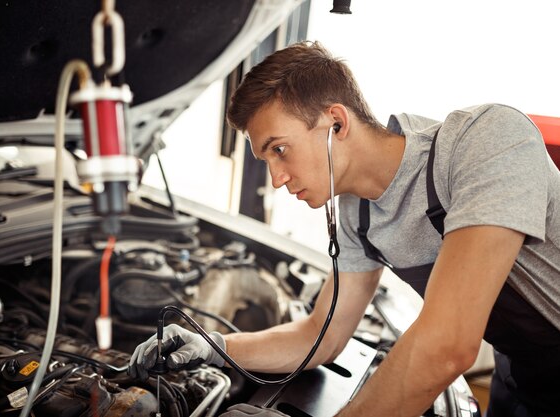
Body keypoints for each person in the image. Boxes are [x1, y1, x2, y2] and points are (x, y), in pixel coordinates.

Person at [129, 41, 560, 417]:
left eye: (280, 150)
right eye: (266, 161)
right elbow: (321, 334)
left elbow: (448, 345)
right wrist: (213, 345)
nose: (277, 178)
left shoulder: (485, 141)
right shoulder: (356, 214)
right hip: (522, 379)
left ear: (337, 121)